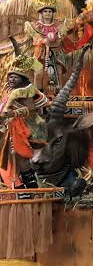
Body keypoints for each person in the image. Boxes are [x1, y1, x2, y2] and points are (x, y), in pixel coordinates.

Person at [0, 54, 48, 188]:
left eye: (14, 77)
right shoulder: (8, 93)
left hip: (20, 130)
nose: (11, 79)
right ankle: (16, 184)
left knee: (20, 158)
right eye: (10, 76)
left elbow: (31, 110)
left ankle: (28, 185)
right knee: (7, 158)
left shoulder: (25, 93)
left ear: (22, 80)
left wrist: (14, 113)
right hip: (7, 129)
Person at [24, 0, 67, 94]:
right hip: (40, 52)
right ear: (41, 13)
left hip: (56, 52)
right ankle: (37, 96)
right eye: (45, 11)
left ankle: (58, 96)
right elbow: (35, 37)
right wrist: (43, 41)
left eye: (50, 11)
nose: (47, 13)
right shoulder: (33, 25)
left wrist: (59, 37)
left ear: (53, 13)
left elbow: (62, 37)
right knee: (38, 73)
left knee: (58, 73)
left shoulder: (59, 25)